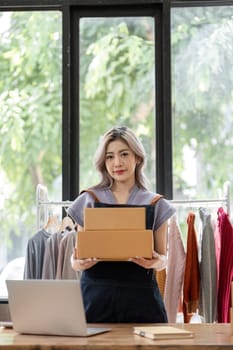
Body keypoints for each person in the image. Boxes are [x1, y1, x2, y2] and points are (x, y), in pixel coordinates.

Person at [68, 126, 175, 323]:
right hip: (93, 299)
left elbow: (163, 260)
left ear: (138, 158)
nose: (117, 163)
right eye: (109, 157)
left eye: (124, 154)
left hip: (142, 300)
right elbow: (76, 260)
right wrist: (78, 263)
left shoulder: (156, 204)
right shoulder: (88, 199)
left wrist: (156, 262)